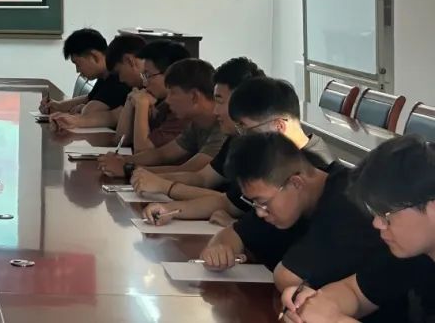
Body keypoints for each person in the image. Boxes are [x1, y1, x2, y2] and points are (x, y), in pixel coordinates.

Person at [198, 133, 393, 302]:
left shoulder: (348, 204)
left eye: (262, 202)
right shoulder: (283, 203)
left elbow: (287, 278)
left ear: (296, 183)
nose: (259, 212)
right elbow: (231, 234)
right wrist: (219, 249)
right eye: (255, 203)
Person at [139, 74, 332, 226]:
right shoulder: (265, 156)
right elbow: (228, 202)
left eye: (246, 129)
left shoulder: (316, 168)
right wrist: (170, 210)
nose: (242, 136)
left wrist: (239, 228)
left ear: (279, 126)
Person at [281, 136, 435, 323]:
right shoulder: (413, 252)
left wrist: (335, 320)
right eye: (374, 212)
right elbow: (354, 292)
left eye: (386, 214)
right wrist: (314, 303)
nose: (377, 224)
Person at [132, 56, 262, 206]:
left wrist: (164, 186)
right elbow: (202, 178)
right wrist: (139, 173)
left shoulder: (264, 148)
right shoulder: (234, 138)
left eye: (220, 101)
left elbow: (231, 202)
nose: (215, 110)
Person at [98, 58, 226, 177]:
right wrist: (123, 160)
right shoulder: (197, 123)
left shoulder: (223, 126)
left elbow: (190, 171)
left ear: (194, 96)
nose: (167, 101)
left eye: (173, 93)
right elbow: (162, 154)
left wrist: (128, 169)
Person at [49, 34, 145, 131]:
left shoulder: (118, 80)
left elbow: (94, 112)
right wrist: (63, 109)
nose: (121, 79)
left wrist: (80, 113)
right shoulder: (133, 87)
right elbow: (114, 115)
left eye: (78, 64)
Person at [114, 42, 191, 152]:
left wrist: (141, 105)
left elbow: (142, 151)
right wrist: (129, 101)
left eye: (148, 75)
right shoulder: (163, 105)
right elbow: (121, 141)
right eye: (144, 76)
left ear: (170, 74)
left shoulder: (183, 110)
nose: (145, 83)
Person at [39, 29, 130, 120]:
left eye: (78, 64)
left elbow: (90, 111)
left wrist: (83, 108)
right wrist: (59, 106)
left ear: (94, 56)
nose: (77, 70)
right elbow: (89, 98)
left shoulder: (117, 78)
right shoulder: (104, 75)